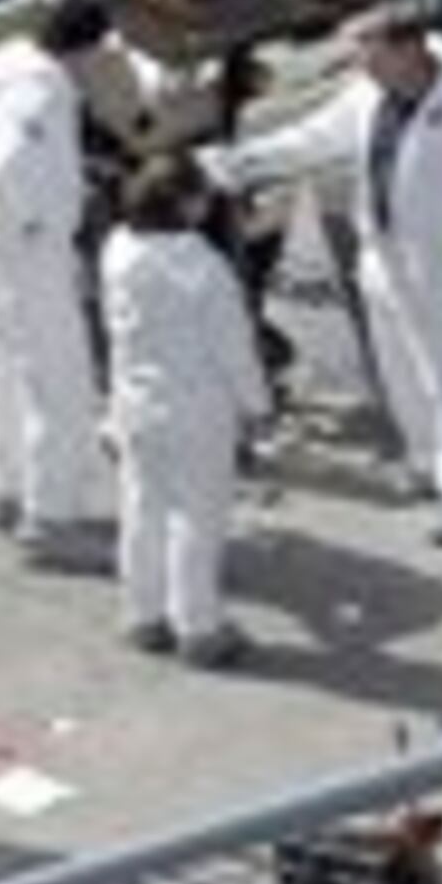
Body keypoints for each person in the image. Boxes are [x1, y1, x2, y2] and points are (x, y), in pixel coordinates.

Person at [217, 0, 442, 537]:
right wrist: (247, 162)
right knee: (400, 371)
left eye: (372, 52)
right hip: (384, 257)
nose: (362, 65)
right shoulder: (369, 96)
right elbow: (316, 138)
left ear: (410, 49)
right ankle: (426, 461)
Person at [100, 153, 269, 663]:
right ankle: (199, 628)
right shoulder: (202, 268)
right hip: (195, 406)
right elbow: (233, 347)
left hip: (135, 400)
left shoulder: (118, 250)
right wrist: (257, 405)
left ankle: (142, 615)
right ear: (185, 205)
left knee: (142, 510)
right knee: (198, 517)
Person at [0, 0, 107, 562]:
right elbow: (14, 159)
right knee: (61, 382)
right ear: (85, 50)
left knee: (9, 369)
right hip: (27, 248)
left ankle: (8, 486)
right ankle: (52, 518)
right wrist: (38, 220)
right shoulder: (42, 91)